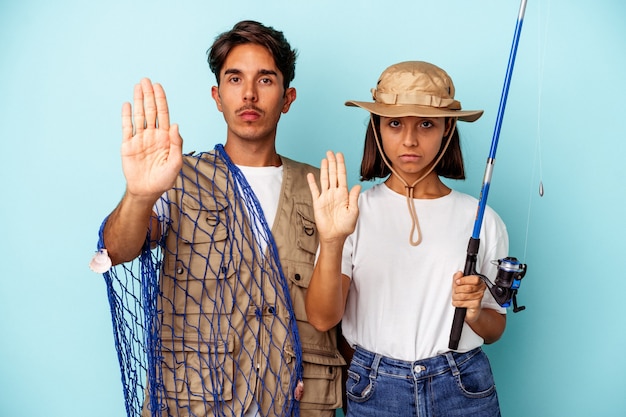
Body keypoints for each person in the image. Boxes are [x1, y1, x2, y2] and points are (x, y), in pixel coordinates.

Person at [92, 20, 345, 417]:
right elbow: (119, 249)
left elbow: (336, 317)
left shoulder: (324, 193)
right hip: (196, 403)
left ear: (288, 97)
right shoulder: (176, 177)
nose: (248, 94)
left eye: (265, 80)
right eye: (234, 79)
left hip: (294, 404)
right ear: (217, 95)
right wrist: (139, 195)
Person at [305, 61, 508, 417]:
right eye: (395, 123)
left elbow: (494, 329)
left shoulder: (482, 219)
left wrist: (475, 312)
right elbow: (323, 319)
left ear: (447, 128)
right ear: (377, 127)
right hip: (376, 389)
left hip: (462, 387)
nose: (410, 140)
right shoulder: (353, 213)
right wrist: (333, 241)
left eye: (426, 124)